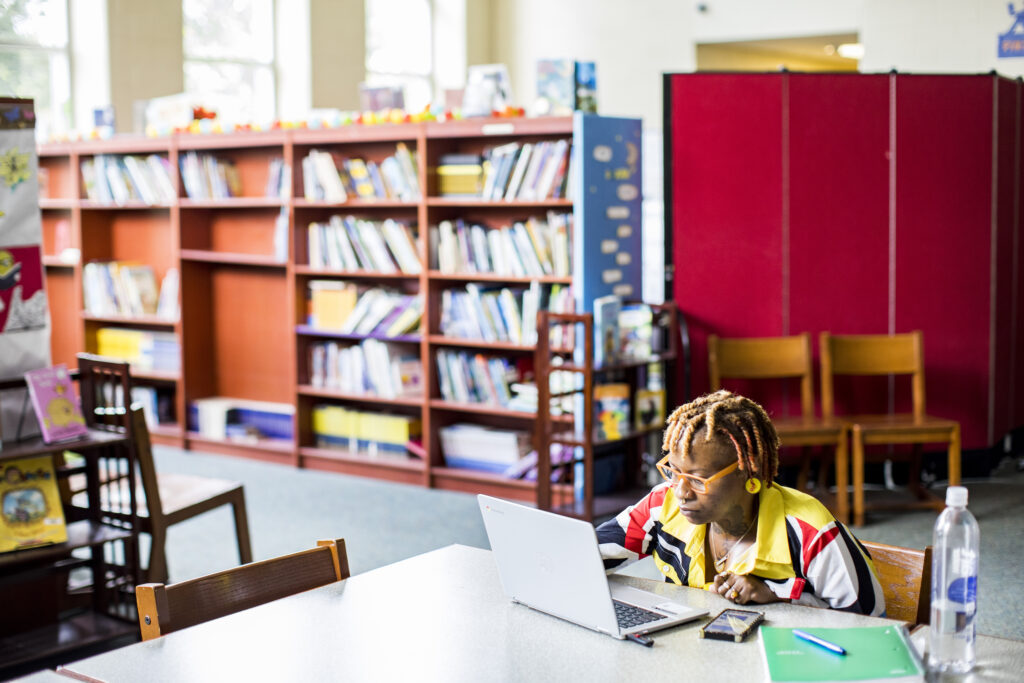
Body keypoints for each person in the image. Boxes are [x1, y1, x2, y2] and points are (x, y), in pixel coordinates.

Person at [596, 390, 886, 616]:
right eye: (673, 471)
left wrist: (777, 594)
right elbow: (588, 553)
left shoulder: (810, 532)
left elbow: (870, 620)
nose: (681, 491)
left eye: (698, 479)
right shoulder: (663, 505)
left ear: (750, 468)